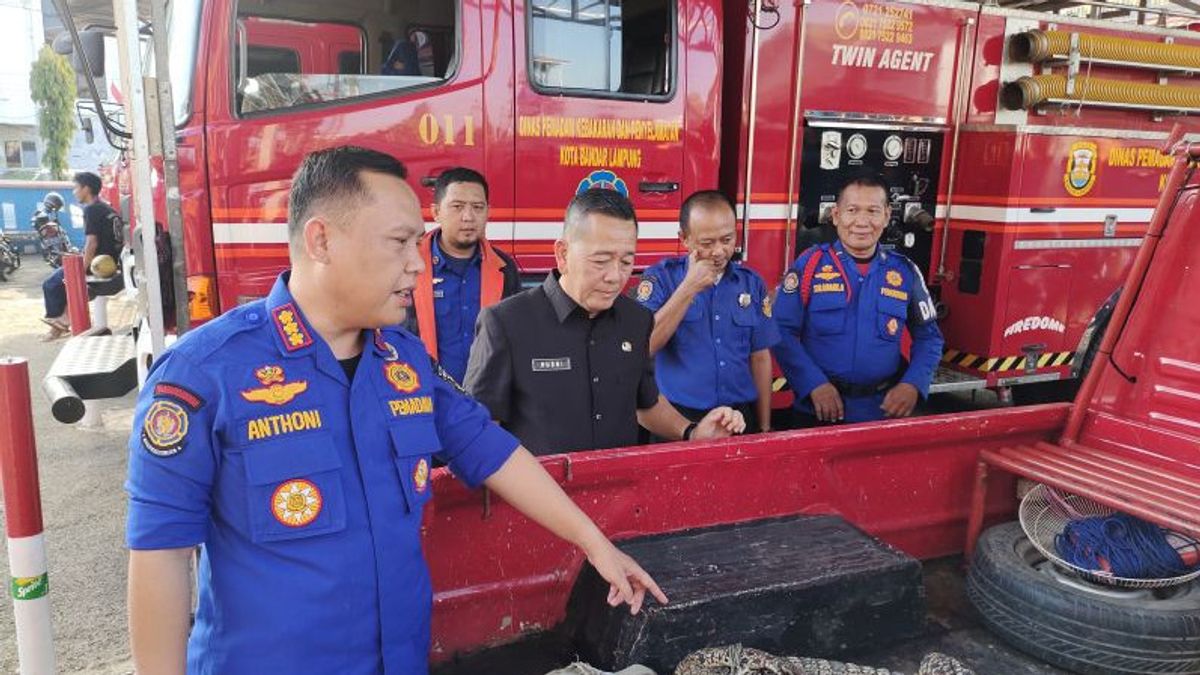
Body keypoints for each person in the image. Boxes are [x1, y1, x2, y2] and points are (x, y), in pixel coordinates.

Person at [125, 147, 667, 674]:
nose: (417, 262)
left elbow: (493, 450)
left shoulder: (402, 361)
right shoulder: (204, 376)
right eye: (400, 242)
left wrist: (596, 545)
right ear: (321, 240)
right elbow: (161, 556)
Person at [463, 188, 745, 455]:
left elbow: (645, 404)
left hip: (619, 497)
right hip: (537, 501)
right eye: (601, 261)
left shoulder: (636, 321)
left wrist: (692, 433)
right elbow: (480, 431)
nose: (614, 277)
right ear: (563, 254)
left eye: (626, 262)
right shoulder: (506, 324)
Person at [772, 174, 943, 425]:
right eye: (852, 210)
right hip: (817, 412)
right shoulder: (809, 265)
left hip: (883, 414)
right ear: (836, 214)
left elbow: (929, 336)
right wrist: (813, 384)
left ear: (886, 216)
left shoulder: (904, 271)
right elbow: (781, 331)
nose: (862, 222)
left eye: (873, 211)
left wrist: (913, 384)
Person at [635, 190, 779, 434]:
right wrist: (689, 287)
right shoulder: (661, 279)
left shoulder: (751, 283)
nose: (719, 251)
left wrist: (765, 428)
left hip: (739, 418)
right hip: (678, 419)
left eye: (727, 240)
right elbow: (644, 345)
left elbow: (760, 357)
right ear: (685, 239)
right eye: (707, 243)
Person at [408, 168, 521, 383]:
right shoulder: (409, 264)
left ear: (488, 211)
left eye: (477, 207)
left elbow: (517, 339)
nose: (468, 217)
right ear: (436, 212)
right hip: (423, 396)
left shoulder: (504, 268)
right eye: (457, 207)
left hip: (485, 402)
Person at [40, 171, 121, 340]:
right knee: (66, 283)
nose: (74, 192)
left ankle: (58, 322)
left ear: (86, 189)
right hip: (111, 262)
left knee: (52, 283)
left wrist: (80, 270)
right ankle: (62, 322)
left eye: (76, 187)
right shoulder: (106, 208)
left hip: (98, 265)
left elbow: (92, 243)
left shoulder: (91, 210)